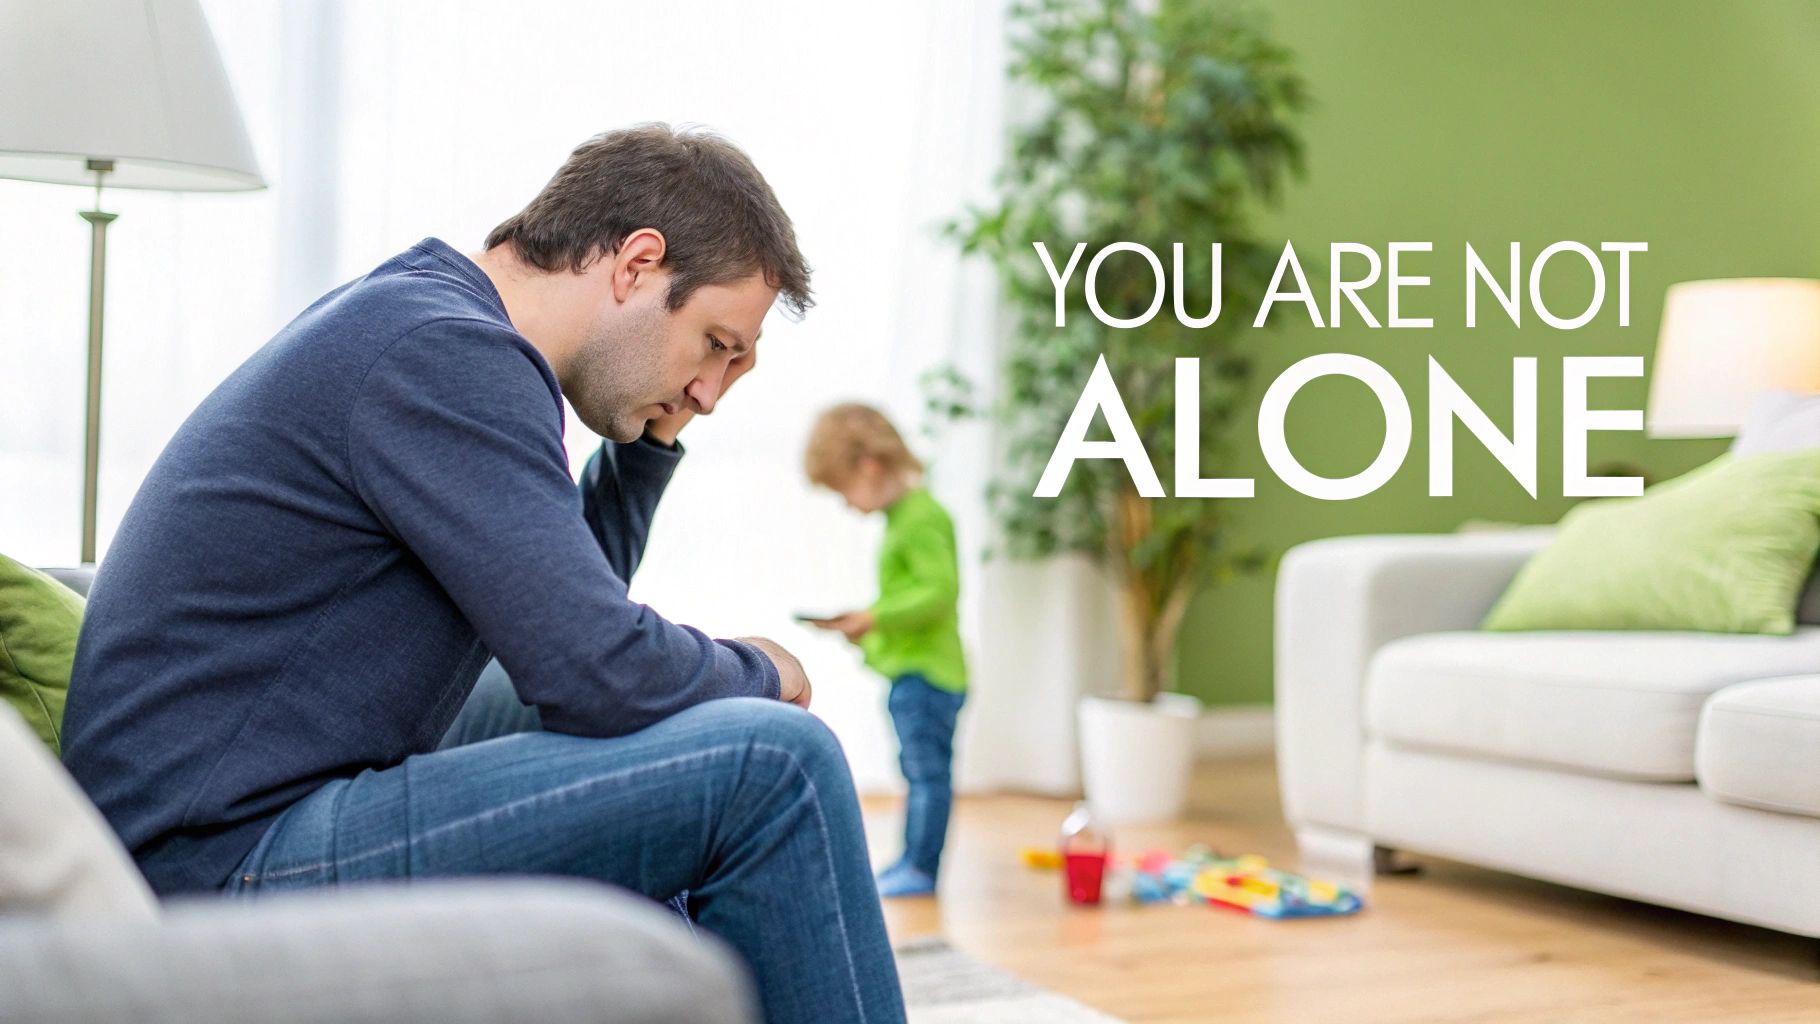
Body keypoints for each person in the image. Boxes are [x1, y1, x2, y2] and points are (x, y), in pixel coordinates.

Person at [61, 124, 906, 1023]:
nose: (711, 391)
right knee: (777, 764)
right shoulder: (444, 354)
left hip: (228, 826)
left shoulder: (424, 317)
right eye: (715, 344)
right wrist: (763, 667)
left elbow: (563, 617)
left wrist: (652, 443)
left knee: (634, 718)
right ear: (636, 265)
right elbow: (597, 672)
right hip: (218, 868)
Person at [802, 404, 968, 899]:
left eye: (843, 490)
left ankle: (920, 867)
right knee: (917, 772)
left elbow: (939, 593)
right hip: (915, 673)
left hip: (928, 676)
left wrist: (875, 618)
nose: (847, 505)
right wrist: (867, 631)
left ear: (869, 466)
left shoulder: (920, 518)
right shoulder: (904, 519)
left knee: (926, 776)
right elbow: (911, 602)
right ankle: (913, 862)